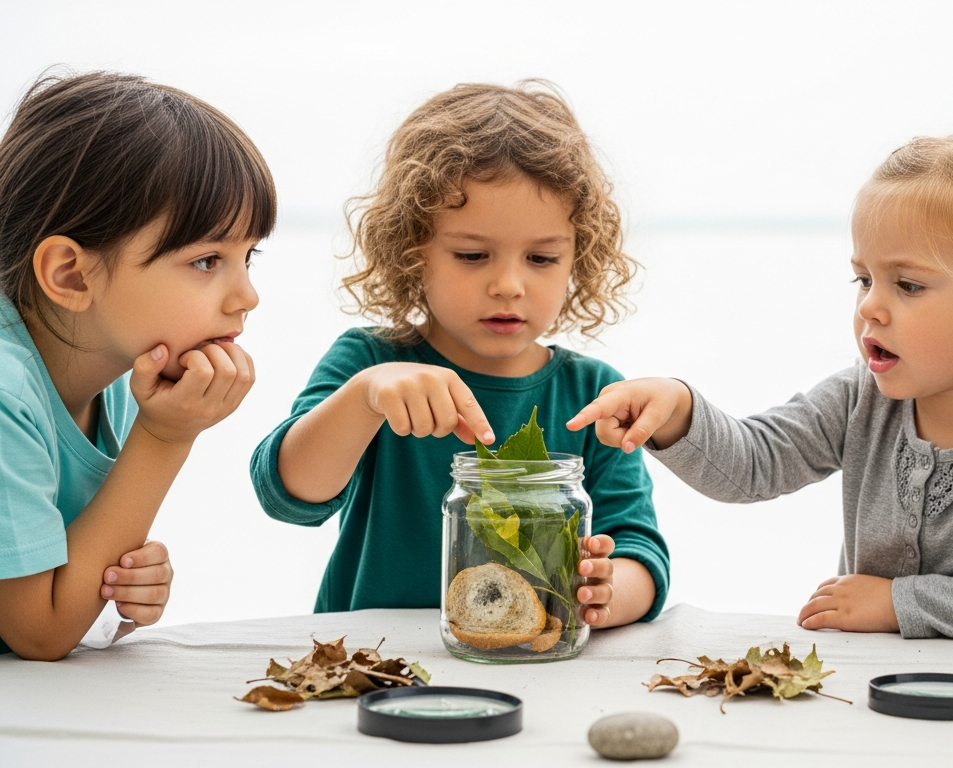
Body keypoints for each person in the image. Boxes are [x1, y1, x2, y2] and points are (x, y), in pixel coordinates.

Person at [570, 132, 953, 641]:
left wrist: (897, 602)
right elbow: (753, 465)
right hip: (869, 694)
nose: (869, 306)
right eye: (864, 279)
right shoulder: (861, 399)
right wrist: (678, 410)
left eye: (907, 284)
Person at [251, 81, 668, 628]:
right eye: (472, 255)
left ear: (579, 257)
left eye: (541, 258)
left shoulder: (596, 396)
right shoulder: (369, 362)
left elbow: (640, 550)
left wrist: (607, 592)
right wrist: (365, 398)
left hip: (534, 665)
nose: (508, 284)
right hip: (373, 666)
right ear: (411, 251)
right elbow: (288, 494)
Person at [0, 72, 274, 659]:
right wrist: (165, 438)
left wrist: (120, 578)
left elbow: (58, 591)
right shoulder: (5, 391)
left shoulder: (120, 382)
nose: (246, 296)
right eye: (206, 260)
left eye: (247, 257)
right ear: (71, 275)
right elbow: (38, 632)